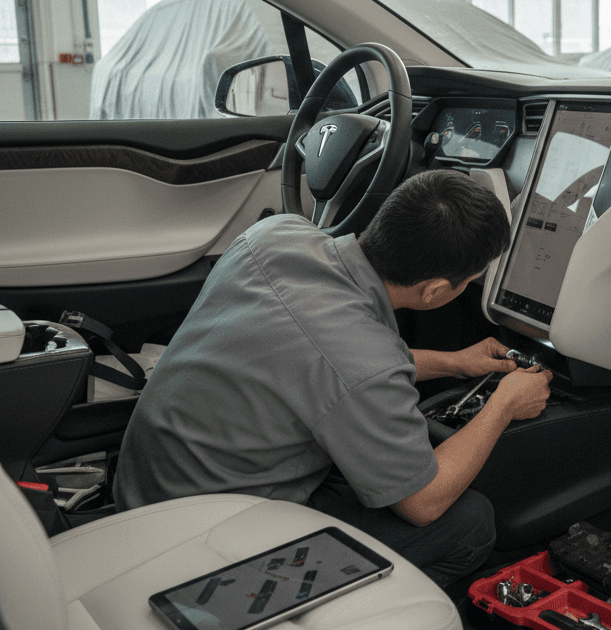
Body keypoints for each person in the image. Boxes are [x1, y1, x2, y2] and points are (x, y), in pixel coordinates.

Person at [113, 170, 552, 586]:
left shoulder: (274, 235)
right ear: (436, 291)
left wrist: (455, 363)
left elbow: (315, 361)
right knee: (470, 522)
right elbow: (424, 503)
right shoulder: (363, 362)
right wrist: (504, 405)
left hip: (146, 495)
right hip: (200, 549)